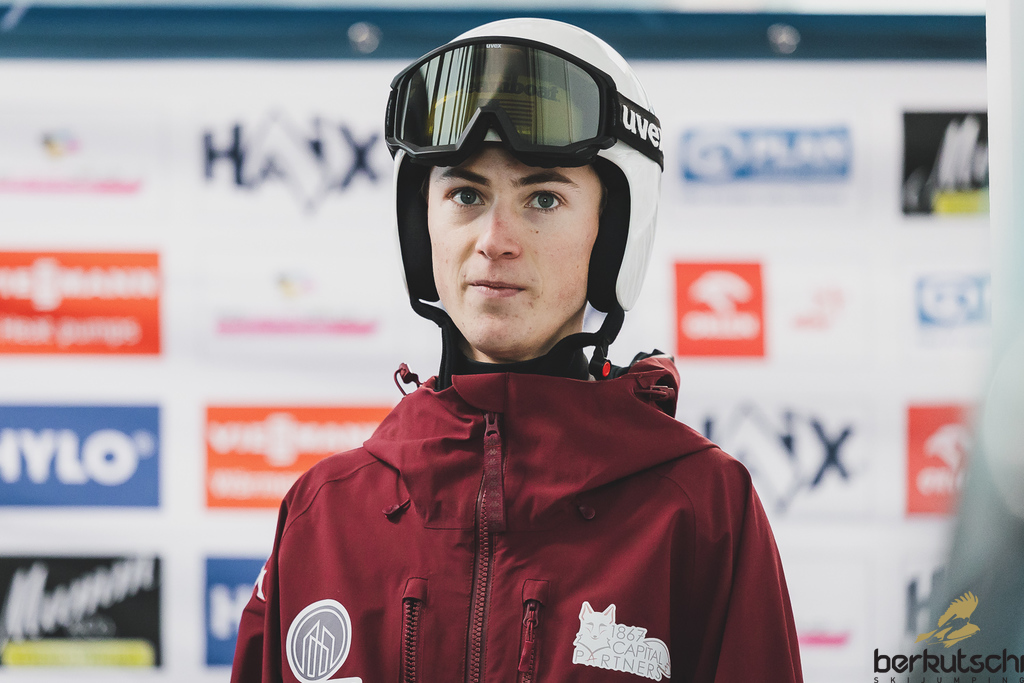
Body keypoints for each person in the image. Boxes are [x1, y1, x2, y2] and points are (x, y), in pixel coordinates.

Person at [231, 18, 803, 683]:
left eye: (543, 199)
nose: (494, 240)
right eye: (465, 195)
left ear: (613, 232)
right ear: (422, 222)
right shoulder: (325, 514)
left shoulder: (700, 510)